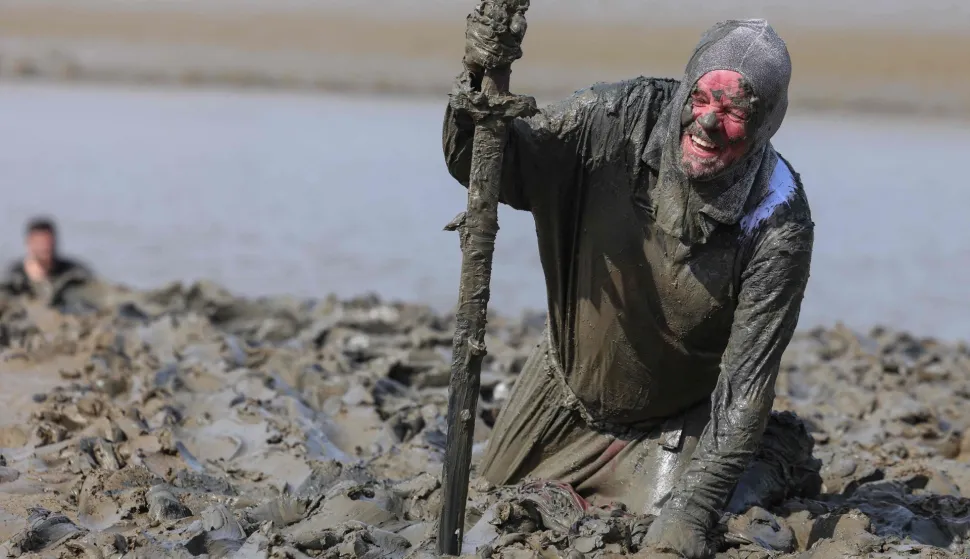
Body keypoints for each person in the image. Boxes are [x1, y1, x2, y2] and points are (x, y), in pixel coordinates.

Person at [443, 18, 816, 558]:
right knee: (495, 494)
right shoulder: (615, 119)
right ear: (687, 87)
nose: (709, 121)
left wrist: (692, 509)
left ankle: (770, 452)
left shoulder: (777, 219)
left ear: (766, 125)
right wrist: (478, 81)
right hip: (563, 388)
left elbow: (746, 386)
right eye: (703, 98)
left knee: (665, 521)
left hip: (673, 419)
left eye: (736, 112)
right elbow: (491, 166)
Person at [2, 217, 94, 306]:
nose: (45, 248)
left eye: (48, 243)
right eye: (40, 243)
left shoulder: (73, 274)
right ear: (28, 243)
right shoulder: (13, 277)